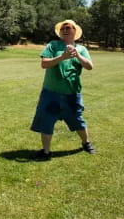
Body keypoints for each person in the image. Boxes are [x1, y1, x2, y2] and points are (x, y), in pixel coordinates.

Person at [30, 19, 96, 160]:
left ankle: (86, 143)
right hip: (51, 93)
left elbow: (89, 66)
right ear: (60, 32)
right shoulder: (53, 45)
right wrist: (62, 56)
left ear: (75, 31)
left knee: (78, 120)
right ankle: (46, 152)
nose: (66, 30)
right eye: (63, 28)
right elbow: (44, 64)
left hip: (72, 94)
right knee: (47, 121)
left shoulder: (82, 49)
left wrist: (77, 55)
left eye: (69, 28)